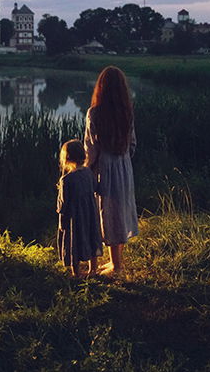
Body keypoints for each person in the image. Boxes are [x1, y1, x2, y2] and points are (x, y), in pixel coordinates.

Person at [84, 66, 138, 276]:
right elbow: (132, 143)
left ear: (101, 88)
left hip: (105, 166)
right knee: (120, 211)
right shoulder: (127, 111)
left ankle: (116, 266)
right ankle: (117, 262)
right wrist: (124, 160)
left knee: (108, 213)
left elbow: (90, 147)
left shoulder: (95, 113)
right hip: (124, 165)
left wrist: (86, 169)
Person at [56, 139, 103, 278]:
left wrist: (61, 222)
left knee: (73, 241)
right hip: (90, 214)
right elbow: (96, 188)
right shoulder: (88, 173)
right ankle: (92, 269)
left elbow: (63, 205)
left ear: (67, 158)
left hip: (73, 217)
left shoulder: (66, 180)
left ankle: (76, 272)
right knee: (91, 236)